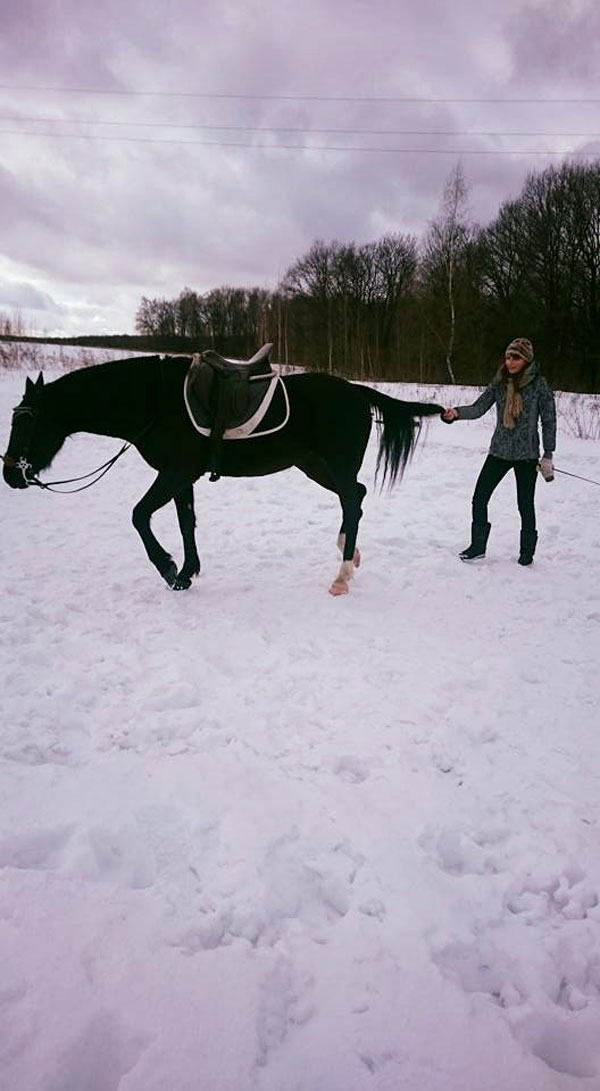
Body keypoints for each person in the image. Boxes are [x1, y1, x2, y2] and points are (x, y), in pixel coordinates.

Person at [442, 337, 556, 566]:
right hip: (499, 451)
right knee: (479, 497)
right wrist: (456, 412)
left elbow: (549, 420)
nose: (510, 361)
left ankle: (526, 553)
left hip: (527, 455)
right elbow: (478, 407)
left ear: (526, 359)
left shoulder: (539, 385)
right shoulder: (499, 382)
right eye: (507, 357)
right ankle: (477, 547)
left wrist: (548, 453)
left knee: (525, 504)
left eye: (515, 357)